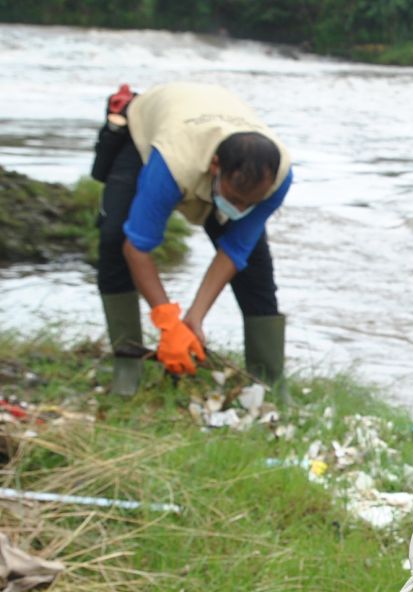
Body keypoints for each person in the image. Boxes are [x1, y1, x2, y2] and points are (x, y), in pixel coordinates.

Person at [92, 81, 293, 397]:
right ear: (215, 168)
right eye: (235, 198)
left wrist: (194, 320)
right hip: (151, 126)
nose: (240, 209)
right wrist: (168, 323)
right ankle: (127, 368)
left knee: (254, 263)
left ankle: (267, 380)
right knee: (115, 237)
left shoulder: (278, 179)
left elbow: (234, 251)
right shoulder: (172, 163)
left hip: (217, 115)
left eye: (250, 203)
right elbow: (138, 248)